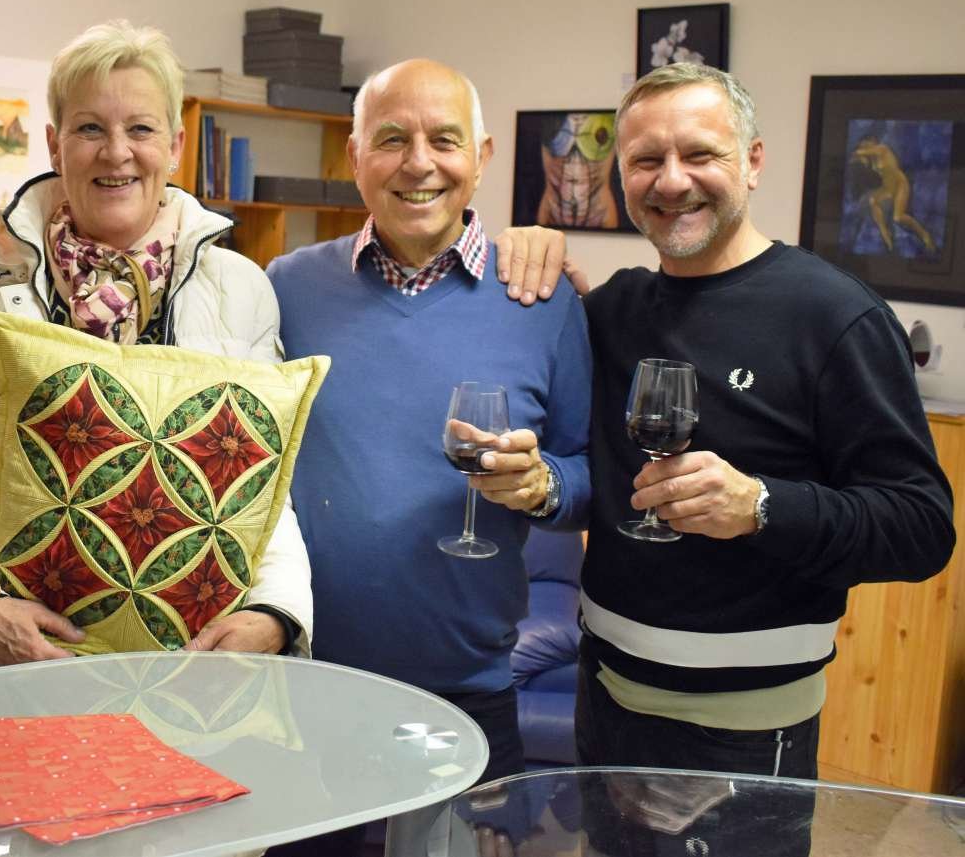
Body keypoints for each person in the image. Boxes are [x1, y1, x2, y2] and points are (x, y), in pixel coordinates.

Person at [574, 65, 954, 854]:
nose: (671, 180)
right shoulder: (615, 307)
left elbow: (922, 527)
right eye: (646, 160)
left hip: (742, 735)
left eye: (699, 154)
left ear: (752, 161)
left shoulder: (834, 315)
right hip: (602, 697)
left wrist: (763, 507)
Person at [0, 20, 313, 660]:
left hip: (191, 662)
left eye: (140, 129)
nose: (116, 152)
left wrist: (274, 616)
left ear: (174, 146)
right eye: (90, 128)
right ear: (54, 145)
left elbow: (264, 490)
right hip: (14, 658)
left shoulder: (240, 289)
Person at [264, 60, 591, 856]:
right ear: (355, 158)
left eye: (444, 140)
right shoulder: (286, 289)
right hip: (307, 689)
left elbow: (591, 474)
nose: (419, 163)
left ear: (481, 157)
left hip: (470, 695)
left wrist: (543, 483)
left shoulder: (543, 299)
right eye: (391, 140)